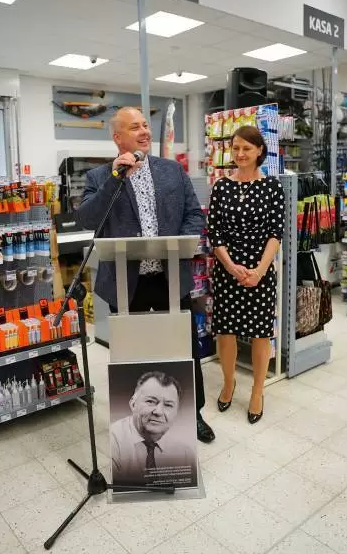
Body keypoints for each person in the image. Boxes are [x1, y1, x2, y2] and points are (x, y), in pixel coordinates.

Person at [76, 106, 215, 443]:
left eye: (145, 125)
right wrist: (116, 177)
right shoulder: (99, 177)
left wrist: (182, 243)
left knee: (184, 348)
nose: (144, 131)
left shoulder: (172, 170)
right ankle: (134, 420)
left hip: (170, 279)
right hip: (127, 285)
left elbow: (193, 214)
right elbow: (87, 219)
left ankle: (193, 414)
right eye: (134, 127)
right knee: (133, 352)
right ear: (117, 137)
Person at [208, 125, 285, 424]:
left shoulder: (272, 187)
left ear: (259, 151)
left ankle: (257, 391)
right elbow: (215, 233)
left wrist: (260, 270)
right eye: (236, 148)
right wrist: (230, 266)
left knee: (260, 333)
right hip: (227, 271)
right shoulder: (221, 187)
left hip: (260, 272)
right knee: (225, 331)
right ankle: (229, 383)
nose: (240, 153)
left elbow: (275, 233)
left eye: (247, 148)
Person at [110, 371, 196, 485]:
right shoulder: (112, 441)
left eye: (168, 405)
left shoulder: (185, 453)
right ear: (133, 404)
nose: (158, 412)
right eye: (150, 401)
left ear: (176, 412)